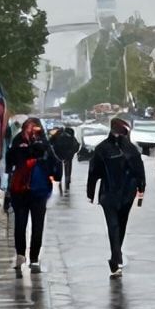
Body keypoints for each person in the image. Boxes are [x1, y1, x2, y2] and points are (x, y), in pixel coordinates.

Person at [87, 117, 145, 277]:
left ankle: (116, 256)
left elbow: (94, 172)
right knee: (118, 224)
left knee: (116, 225)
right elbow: (139, 171)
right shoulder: (128, 149)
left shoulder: (103, 148)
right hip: (120, 193)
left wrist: (90, 192)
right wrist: (141, 189)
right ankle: (116, 257)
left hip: (115, 193)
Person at [7, 117, 57, 274]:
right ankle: (21, 254)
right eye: (29, 128)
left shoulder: (44, 142)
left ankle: (34, 257)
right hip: (20, 189)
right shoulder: (17, 141)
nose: (31, 131)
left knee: (38, 225)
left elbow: (52, 162)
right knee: (20, 224)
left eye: (34, 128)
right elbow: (11, 160)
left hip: (39, 189)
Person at [49, 126, 80, 198]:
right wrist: (72, 153)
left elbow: (50, 143)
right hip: (68, 156)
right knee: (68, 169)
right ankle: (67, 182)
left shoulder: (57, 135)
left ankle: (60, 183)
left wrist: (54, 154)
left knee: (59, 169)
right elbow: (76, 145)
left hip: (59, 155)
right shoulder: (71, 136)